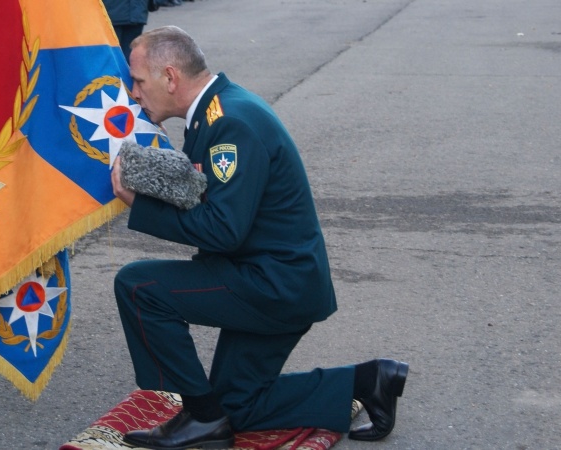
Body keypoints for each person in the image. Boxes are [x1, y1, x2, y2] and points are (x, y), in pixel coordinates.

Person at [110, 26, 408, 449]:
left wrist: (139, 207)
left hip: (273, 284)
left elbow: (223, 230)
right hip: (276, 277)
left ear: (170, 78)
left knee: (139, 286)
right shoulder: (217, 111)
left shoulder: (230, 124)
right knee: (239, 407)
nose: (134, 94)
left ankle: (199, 416)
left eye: (138, 82)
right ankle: (370, 380)